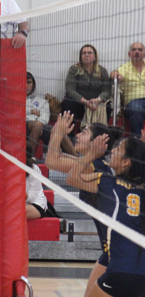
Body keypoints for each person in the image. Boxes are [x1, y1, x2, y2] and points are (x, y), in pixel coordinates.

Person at [46, 112, 122, 296]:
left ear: (96, 142)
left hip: (118, 251)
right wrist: (57, 134)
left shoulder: (92, 166)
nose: (78, 135)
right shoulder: (91, 164)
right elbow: (53, 161)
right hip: (110, 250)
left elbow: (51, 161)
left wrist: (57, 133)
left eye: (85, 132)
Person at [67, 135, 145, 297]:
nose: (113, 151)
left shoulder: (106, 181)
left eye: (119, 149)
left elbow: (72, 178)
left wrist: (91, 154)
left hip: (120, 272)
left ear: (126, 162)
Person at [62, 45, 112, 124]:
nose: (87, 55)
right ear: (80, 57)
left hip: (96, 103)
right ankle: (70, 134)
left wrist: (98, 100)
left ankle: (100, 132)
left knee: (108, 104)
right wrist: (84, 101)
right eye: (84, 53)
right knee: (68, 102)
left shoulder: (102, 71)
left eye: (90, 53)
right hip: (79, 103)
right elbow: (70, 90)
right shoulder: (74, 69)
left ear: (95, 57)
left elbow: (106, 91)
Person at [111, 42, 145, 135]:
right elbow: (118, 75)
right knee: (136, 109)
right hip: (133, 101)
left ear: (144, 54)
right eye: (134, 50)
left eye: (140, 50)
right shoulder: (124, 68)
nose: (137, 52)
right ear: (129, 54)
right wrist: (115, 74)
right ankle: (137, 143)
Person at [26, 72, 52, 155]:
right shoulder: (13, 99)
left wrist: (39, 124)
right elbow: (15, 112)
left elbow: (45, 116)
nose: (26, 85)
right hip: (22, 125)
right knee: (37, 125)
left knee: (58, 130)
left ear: (33, 84)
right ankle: (29, 159)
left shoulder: (42, 101)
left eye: (29, 82)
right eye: (23, 82)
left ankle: (78, 160)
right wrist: (31, 111)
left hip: (39, 126)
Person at [25, 143, 48, 220]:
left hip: (34, 203)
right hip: (11, 205)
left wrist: (17, 192)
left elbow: (32, 198)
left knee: (14, 212)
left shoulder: (33, 168)